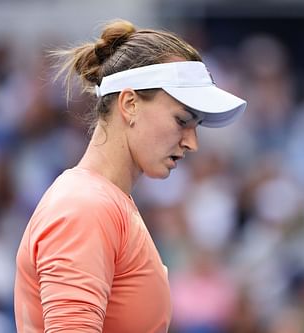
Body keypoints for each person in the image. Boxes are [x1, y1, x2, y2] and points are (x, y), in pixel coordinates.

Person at [14, 19, 246, 333]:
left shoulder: (102, 202)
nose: (192, 142)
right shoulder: (86, 206)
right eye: (182, 120)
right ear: (130, 104)